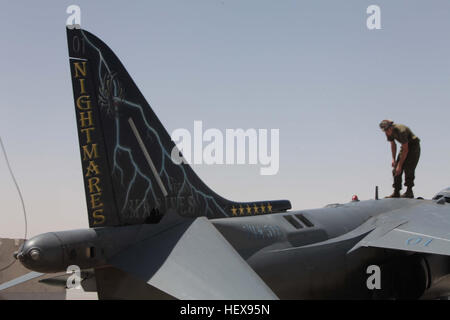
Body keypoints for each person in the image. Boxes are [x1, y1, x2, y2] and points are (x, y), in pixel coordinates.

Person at [379, 120, 421, 198]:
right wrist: (394, 159)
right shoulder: (387, 132)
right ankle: (396, 191)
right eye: (385, 130)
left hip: (413, 147)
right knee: (396, 169)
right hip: (404, 147)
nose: (387, 132)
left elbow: (406, 149)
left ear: (391, 127)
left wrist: (400, 165)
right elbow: (393, 144)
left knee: (408, 168)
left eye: (388, 129)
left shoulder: (401, 130)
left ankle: (409, 191)